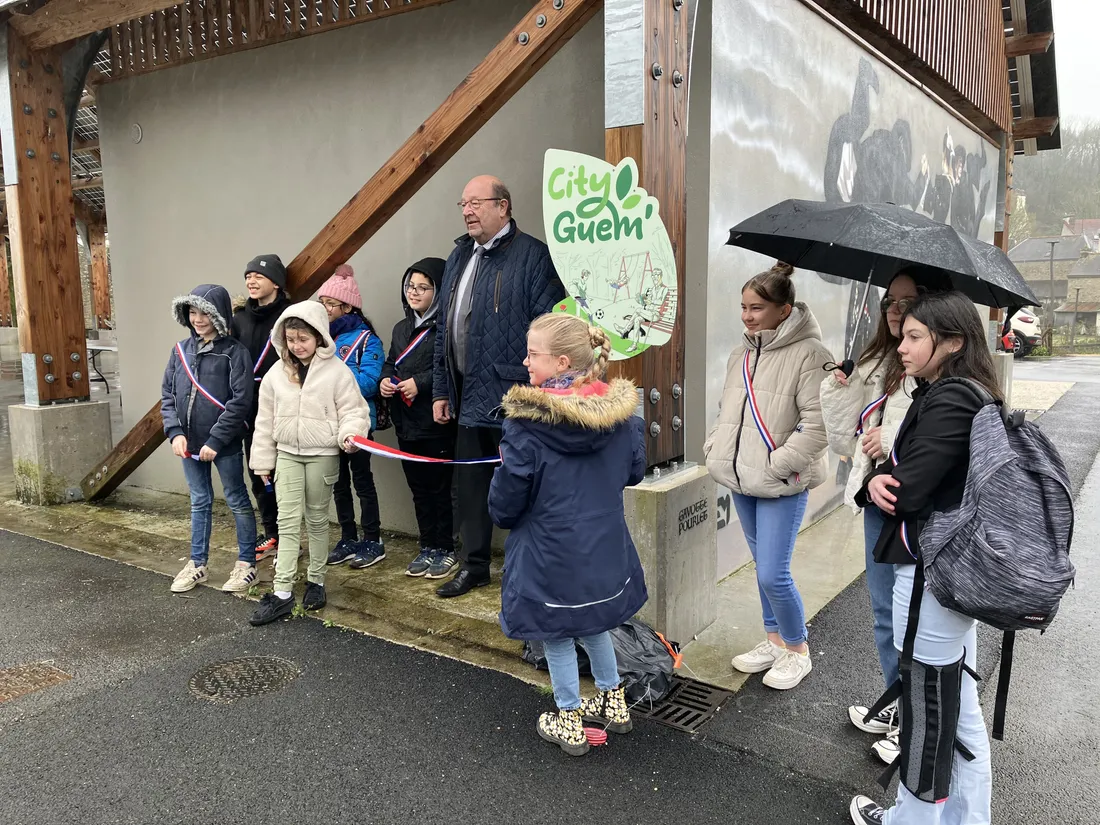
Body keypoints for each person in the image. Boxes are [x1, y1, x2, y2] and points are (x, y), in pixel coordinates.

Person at [849, 290, 996, 825]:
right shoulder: (969, 393)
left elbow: (906, 492)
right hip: (955, 570)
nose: (902, 346)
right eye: (903, 334)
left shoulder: (952, 397)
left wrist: (874, 484)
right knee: (958, 713)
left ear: (952, 341)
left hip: (930, 573)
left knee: (927, 711)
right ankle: (966, 820)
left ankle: (908, 820)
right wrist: (885, 468)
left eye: (915, 337)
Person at [489, 313, 646, 756]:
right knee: (594, 621)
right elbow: (633, 470)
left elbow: (507, 501)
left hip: (549, 549)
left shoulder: (526, 425)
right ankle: (614, 702)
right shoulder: (622, 416)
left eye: (533, 354)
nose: (524, 361)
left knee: (556, 630)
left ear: (560, 362)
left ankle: (569, 716)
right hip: (603, 543)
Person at [820, 270, 952, 760]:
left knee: (915, 621)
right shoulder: (880, 359)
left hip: (918, 513)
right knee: (884, 616)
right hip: (877, 502)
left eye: (909, 303)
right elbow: (842, 439)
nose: (896, 312)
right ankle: (900, 703)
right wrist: (840, 387)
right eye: (891, 303)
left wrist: (891, 442)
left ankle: (918, 720)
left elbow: (938, 441)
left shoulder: (944, 374)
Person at [431, 175, 566, 598]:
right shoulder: (458, 255)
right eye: (463, 203)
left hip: (514, 398)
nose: (468, 211)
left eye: (476, 203)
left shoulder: (533, 256)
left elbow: (548, 328)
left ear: (503, 206)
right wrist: (440, 389)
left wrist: (538, 390)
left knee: (522, 485)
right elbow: (442, 328)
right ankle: (474, 567)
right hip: (466, 394)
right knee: (470, 488)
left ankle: (524, 569)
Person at [703, 262, 832, 691]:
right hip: (742, 479)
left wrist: (777, 465)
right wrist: (714, 449)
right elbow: (728, 414)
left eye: (757, 307)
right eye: (743, 307)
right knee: (763, 567)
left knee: (773, 573)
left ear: (785, 310)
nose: (747, 315)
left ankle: (798, 649)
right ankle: (774, 640)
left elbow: (819, 426)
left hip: (780, 481)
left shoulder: (812, 355)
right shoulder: (741, 354)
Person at [247, 301, 370, 626]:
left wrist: (350, 435)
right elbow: (264, 420)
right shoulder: (276, 373)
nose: (297, 345)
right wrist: (262, 459)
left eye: (303, 338)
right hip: (287, 454)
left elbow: (354, 411)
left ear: (318, 336)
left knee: (316, 521)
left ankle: (316, 581)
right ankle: (282, 592)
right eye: (291, 339)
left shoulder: (337, 372)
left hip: (323, 455)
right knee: (286, 523)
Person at [161, 284, 258, 594]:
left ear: (219, 315)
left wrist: (215, 440)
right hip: (188, 445)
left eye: (205, 312)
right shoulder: (180, 351)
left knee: (237, 500)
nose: (198, 319)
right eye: (192, 312)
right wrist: (175, 433)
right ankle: (197, 563)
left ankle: (246, 563)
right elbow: (167, 395)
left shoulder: (235, 353)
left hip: (224, 445)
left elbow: (240, 401)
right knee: (199, 501)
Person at [379, 257, 459, 580]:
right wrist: (385, 380)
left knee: (441, 489)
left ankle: (447, 548)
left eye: (423, 287)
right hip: (406, 423)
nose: (414, 292)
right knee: (418, 489)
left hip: (435, 423)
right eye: (410, 286)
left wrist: (420, 384)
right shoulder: (401, 328)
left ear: (437, 291)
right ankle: (427, 545)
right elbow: (390, 362)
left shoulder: (444, 326)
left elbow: (448, 368)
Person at [316, 265, 386, 570]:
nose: (326, 310)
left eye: (331, 304)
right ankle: (347, 537)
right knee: (338, 483)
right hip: (326, 422)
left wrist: (333, 384)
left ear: (348, 306)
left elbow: (371, 380)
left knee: (362, 482)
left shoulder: (367, 340)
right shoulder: (318, 339)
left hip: (357, 422)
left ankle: (373, 539)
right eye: (323, 303)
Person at [232, 254, 292, 562]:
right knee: (258, 473)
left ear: (277, 283)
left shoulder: (290, 315)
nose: (251, 281)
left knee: (286, 475)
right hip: (248, 408)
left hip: (282, 407)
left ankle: (290, 535)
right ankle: (272, 534)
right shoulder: (239, 318)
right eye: (248, 276)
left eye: (258, 276)